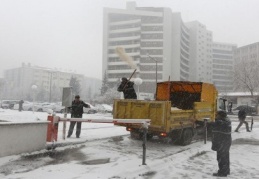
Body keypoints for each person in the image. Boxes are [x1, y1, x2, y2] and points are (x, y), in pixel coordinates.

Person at [211, 110, 232, 177]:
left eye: (217, 114)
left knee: (221, 157)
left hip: (222, 142)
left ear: (220, 115)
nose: (216, 115)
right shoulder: (226, 121)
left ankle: (222, 173)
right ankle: (226, 170)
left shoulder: (221, 122)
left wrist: (196, 121)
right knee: (225, 157)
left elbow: (210, 124)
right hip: (225, 141)